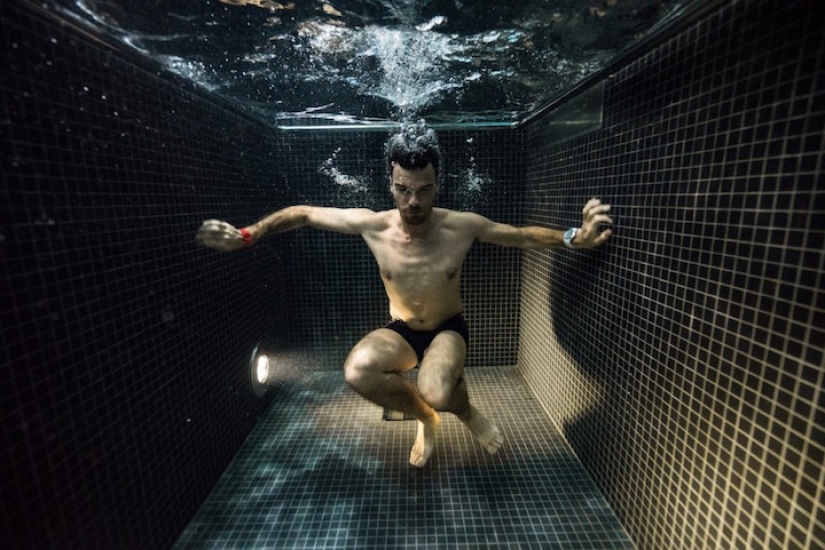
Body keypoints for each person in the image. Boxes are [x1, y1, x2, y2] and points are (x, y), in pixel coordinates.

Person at [196, 124, 613, 467]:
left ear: (437, 184)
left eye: (424, 190)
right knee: (358, 371)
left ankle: (468, 414)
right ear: (391, 184)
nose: (413, 202)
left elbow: (519, 235)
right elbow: (303, 214)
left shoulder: (462, 226)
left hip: (448, 329)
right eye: (403, 190)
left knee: (437, 388)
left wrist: (574, 237)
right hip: (401, 329)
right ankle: (426, 419)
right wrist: (249, 235)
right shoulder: (373, 225)